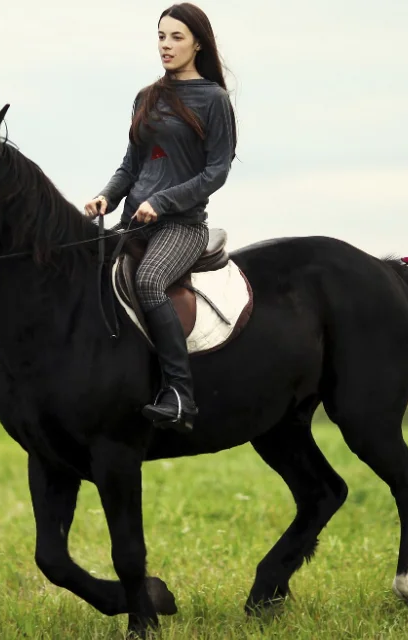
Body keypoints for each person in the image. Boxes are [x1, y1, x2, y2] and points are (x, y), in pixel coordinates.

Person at [84, 3, 237, 433]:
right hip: (136, 221)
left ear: (197, 44)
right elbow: (131, 165)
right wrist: (105, 197)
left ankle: (179, 395)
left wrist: (164, 202)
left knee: (150, 280)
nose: (166, 46)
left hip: (182, 226)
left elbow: (216, 171)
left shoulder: (213, 99)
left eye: (176, 38)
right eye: (161, 36)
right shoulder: (146, 97)